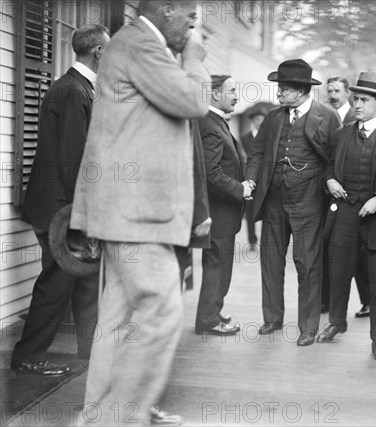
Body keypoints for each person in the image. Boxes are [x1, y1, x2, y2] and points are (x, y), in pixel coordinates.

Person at [70, 1, 211, 425]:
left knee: (120, 319)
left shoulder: (136, 45)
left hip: (127, 210)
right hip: (135, 213)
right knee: (161, 311)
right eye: (189, 16)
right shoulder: (140, 45)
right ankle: (117, 417)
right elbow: (193, 100)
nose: (192, 26)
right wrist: (195, 58)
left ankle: (97, 414)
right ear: (168, 9)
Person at [11, 25, 110, 377]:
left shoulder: (79, 87)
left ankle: (91, 350)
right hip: (62, 208)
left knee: (86, 277)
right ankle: (28, 355)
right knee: (58, 282)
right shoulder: (72, 90)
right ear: (98, 52)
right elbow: (74, 158)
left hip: (68, 206)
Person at [245, 59, 341, 346]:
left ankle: (308, 327)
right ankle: (272, 318)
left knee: (307, 263)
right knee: (271, 261)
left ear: (300, 90)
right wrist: (251, 180)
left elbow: (335, 160)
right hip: (273, 199)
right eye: (279, 89)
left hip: (309, 202)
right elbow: (257, 153)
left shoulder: (328, 116)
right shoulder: (274, 117)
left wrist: (329, 182)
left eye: (284, 89)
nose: (279, 94)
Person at [317, 71, 376, 361]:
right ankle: (336, 323)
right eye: (356, 99)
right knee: (339, 272)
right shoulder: (342, 134)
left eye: (365, 100)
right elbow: (328, 167)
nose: (358, 105)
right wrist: (330, 181)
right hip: (345, 215)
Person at [194, 74, 254, 336]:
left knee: (218, 266)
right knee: (217, 268)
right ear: (215, 93)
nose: (236, 96)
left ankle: (211, 312)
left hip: (221, 213)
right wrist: (240, 189)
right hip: (218, 214)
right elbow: (211, 172)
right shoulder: (210, 124)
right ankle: (208, 320)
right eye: (231, 90)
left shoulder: (214, 121)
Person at [323, 75, 370, 317]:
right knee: (334, 253)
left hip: (363, 201)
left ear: (347, 94)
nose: (332, 95)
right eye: (328, 90)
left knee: (361, 256)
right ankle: (330, 305)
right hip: (333, 199)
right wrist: (329, 180)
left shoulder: (356, 117)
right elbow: (327, 160)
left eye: (337, 90)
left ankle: (367, 300)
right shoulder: (326, 117)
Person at [240, 107, 267, 250]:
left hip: (265, 181)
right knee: (250, 213)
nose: (259, 123)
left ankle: (266, 240)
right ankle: (252, 241)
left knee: (267, 212)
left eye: (261, 121)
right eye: (256, 120)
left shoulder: (268, 138)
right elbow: (243, 157)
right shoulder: (244, 138)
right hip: (250, 180)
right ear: (252, 121)